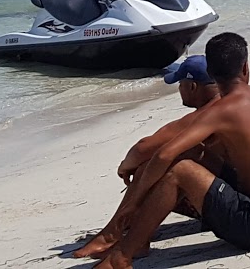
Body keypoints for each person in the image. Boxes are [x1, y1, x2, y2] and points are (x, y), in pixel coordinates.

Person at [72, 33, 250, 267]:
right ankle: (136, 238)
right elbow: (168, 152)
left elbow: (164, 153)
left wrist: (133, 203)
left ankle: (121, 257)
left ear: (213, 73)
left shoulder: (225, 109)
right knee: (187, 154)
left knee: (180, 171)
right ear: (245, 68)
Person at [73, 56, 223, 260]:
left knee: (159, 162)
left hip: (231, 206)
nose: (179, 89)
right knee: (168, 159)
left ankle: (114, 233)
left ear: (193, 87)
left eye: (180, 83)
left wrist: (125, 168)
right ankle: (125, 233)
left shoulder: (208, 114)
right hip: (228, 194)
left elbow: (143, 148)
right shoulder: (224, 104)